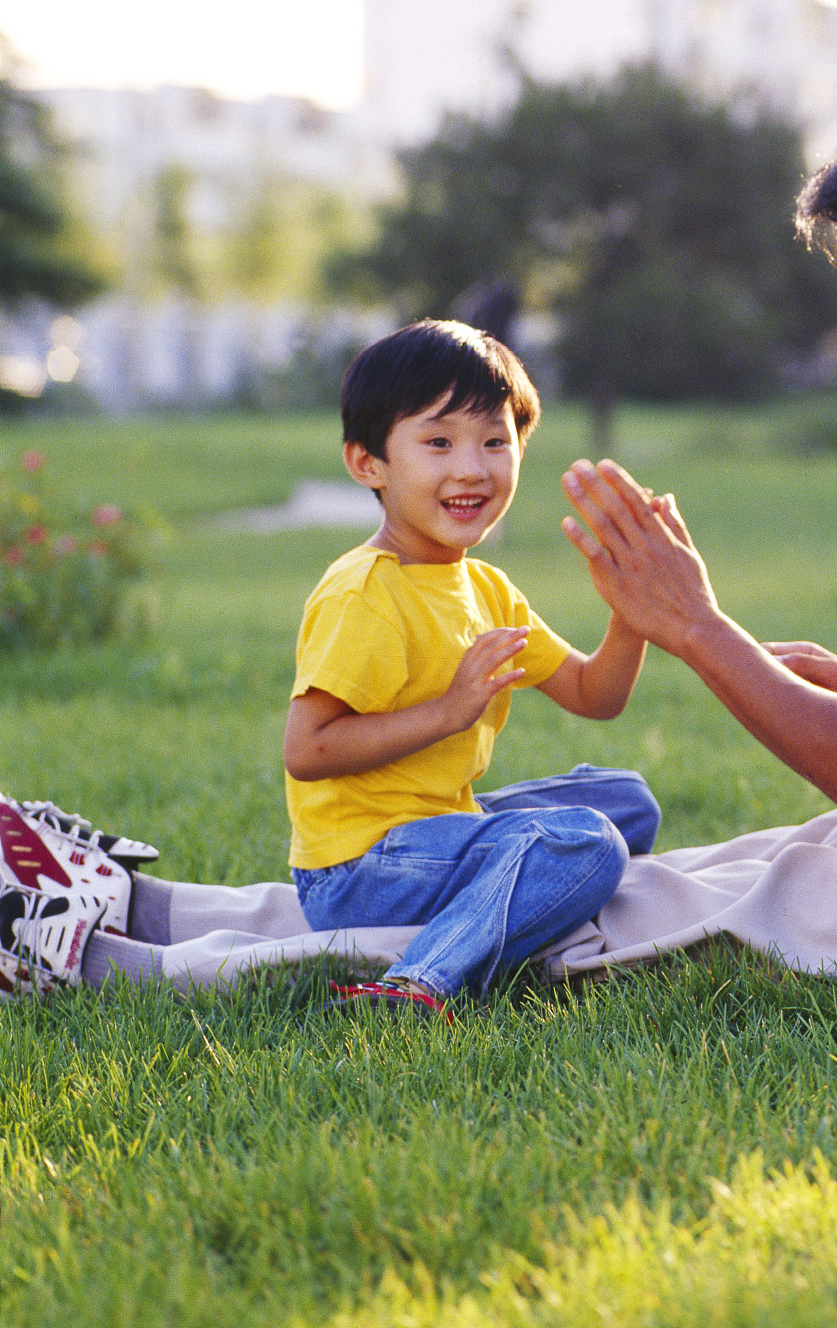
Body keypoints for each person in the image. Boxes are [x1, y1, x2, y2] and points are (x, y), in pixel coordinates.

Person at [5, 92, 837, 996]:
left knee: (577, 908)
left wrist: (693, 625)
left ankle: (112, 963)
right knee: (609, 870)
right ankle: (145, 901)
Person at [2, 321, 660, 1004]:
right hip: (358, 868)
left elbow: (593, 694)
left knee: (624, 801)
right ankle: (419, 982)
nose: (471, 468)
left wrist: (630, 616)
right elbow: (308, 748)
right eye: (438, 442)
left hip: (428, 832)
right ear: (367, 463)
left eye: (495, 441)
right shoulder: (367, 593)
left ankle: (515, 891)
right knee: (587, 844)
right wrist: (448, 712)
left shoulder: (488, 589)